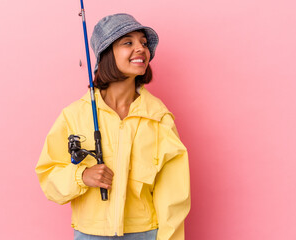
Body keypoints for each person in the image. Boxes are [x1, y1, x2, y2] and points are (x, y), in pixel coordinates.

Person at [35, 13, 190, 240]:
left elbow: (174, 196)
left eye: (144, 43)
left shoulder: (159, 118)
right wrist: (82, 176)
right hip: (90, 234)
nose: (141, 49)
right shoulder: (74, 115)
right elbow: (48, 176)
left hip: (145, 234)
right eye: (128, 42)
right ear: (106, 54)